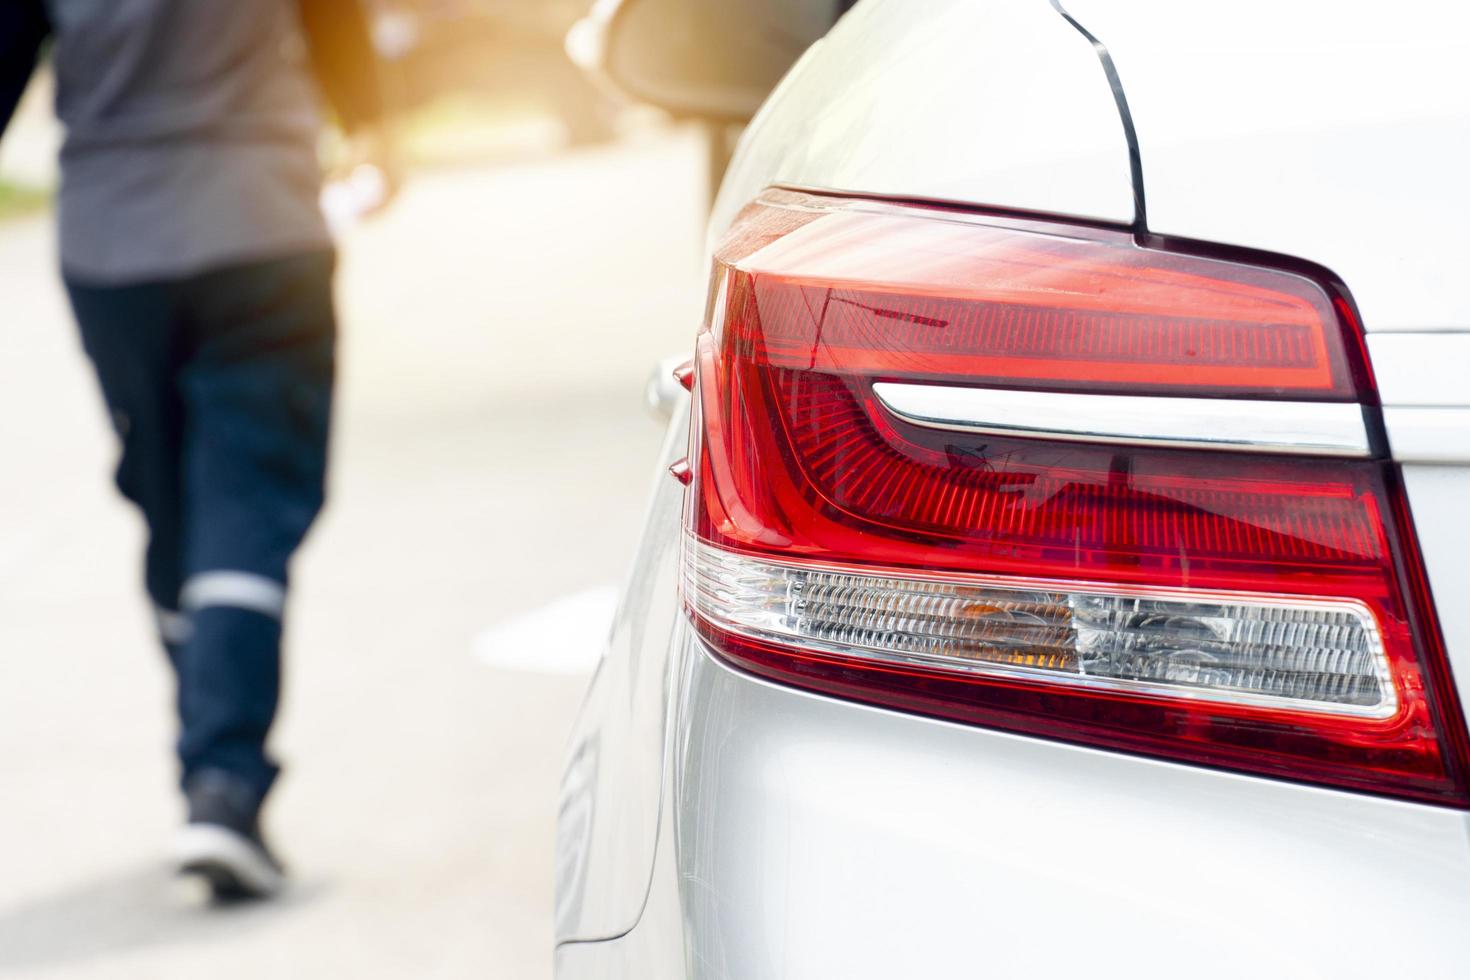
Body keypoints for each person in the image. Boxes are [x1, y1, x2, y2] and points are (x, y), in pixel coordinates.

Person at [0, 0, 395, 900]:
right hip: (259, 228)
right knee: (245, 506)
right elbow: (335, 18)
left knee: (173, 503)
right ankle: (222, 783)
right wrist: (373, 126)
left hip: (113, 251)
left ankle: (210, 751)